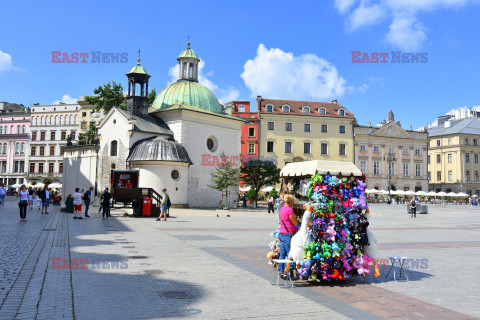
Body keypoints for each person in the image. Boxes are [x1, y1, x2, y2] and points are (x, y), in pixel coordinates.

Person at [278, 194, 300, 278]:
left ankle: (282, 272)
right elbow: (294, 222)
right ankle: (287, 272)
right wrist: (299, 224)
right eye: (293, 202)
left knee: (282, 254)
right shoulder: (289, 210)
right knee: (289, 254)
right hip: (287, 235)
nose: (293, 204)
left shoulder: (282, 209)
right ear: (290, 202)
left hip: (281, 233)